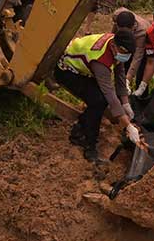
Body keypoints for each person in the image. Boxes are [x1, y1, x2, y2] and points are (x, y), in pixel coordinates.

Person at [54, 29, 140, 162]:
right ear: (113, 46)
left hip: (83, 69)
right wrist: (128, 125)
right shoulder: (100, 60)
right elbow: (109, 93)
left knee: (99, 100)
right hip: (67, 71)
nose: (125, 56)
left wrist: (125, 103)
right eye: (124, 53)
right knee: (98, 101)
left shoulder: (116, 44)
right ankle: (89, 145)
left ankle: (80, 128)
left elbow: (120, 75)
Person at [111, 7, 151, 84]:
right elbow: (113, 31)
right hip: (128, 42)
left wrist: (129, 77)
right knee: (123, 64)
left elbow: (137, 57)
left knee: (141, 68)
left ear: (132, 27)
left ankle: (141, 93)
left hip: (143, 47)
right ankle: (120, 87)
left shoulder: (142, 32)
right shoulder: (117, 15)